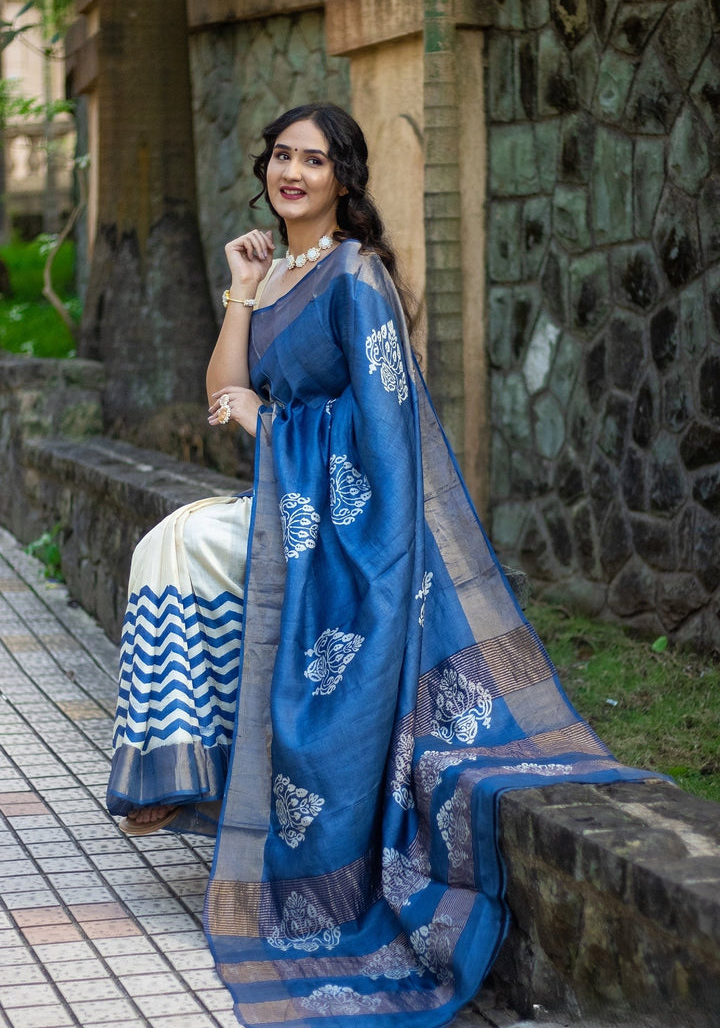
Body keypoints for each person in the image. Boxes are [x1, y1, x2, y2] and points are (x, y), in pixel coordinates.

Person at [107, 103, 653, 1027]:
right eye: (281, 155)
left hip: (351, 524)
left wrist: (270, 426)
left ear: (343, 181)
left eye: (313, 161)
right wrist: (240, 288)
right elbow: (219, 390)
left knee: (181, 544)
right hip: (292, 505)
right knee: (169, 544)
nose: (293, 173)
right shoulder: (277, 270)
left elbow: (384, 432)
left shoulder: (356, 276)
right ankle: (189, 771)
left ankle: (192, 776)